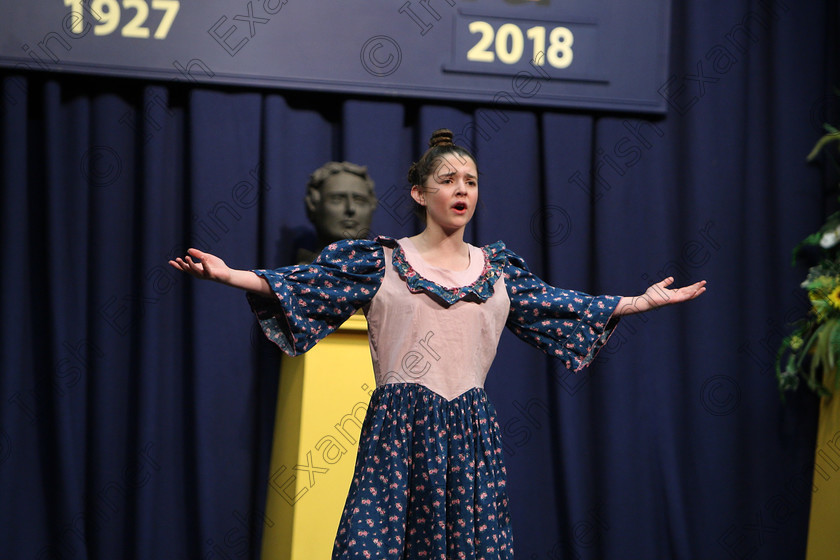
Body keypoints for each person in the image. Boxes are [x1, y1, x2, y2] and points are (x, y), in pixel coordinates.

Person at [169, 129, 706, 559]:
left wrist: (641, 302)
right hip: (398, 427)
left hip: (470, 429)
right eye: (448, 180)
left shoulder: (500, 270)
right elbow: (304, 285)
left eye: (471, 181)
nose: (462, 190)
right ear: (419, 193)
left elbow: (560, 304)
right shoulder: (376, 260)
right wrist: (231, 274)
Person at [299, 161, 377, 263]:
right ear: (313, 205)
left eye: (359, 200)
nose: (350, 208)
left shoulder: (392, 271)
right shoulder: (293, 276)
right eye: (337, 199)